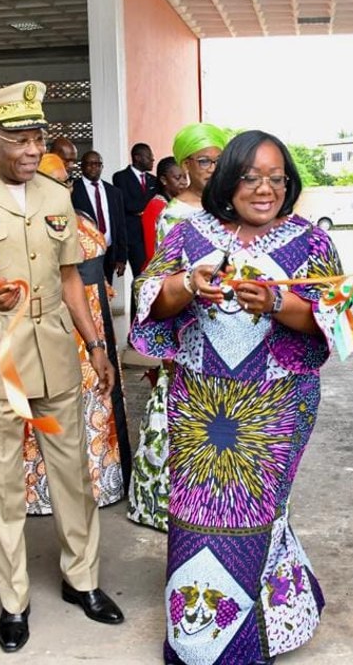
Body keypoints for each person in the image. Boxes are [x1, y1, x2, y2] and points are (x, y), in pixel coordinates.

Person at [131, 129, 344, 664]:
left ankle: (243, 641)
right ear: (228, 181)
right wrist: (186, 285)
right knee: (193, 512)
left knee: (257, 513)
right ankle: (195, 638)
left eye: (276, 178)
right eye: (251, 177)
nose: (264, 188)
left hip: (275, 403)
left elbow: (331, 316)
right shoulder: (190, 234)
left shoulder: (309, 242)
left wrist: (275, 302)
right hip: (199, 403)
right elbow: (150, 301)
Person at [0, 81, 124, 652]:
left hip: (56, 355)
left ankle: (81, 581)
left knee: (72, 473)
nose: (34, 148)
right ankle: (13, 601)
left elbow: (70, 279)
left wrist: (95, 345)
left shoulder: (54, 194)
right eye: (20, 139)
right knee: (2, 481)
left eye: (38, 136)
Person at [127, 123, 229, 533]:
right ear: (185, 165)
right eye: (205, 161)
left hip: (225, 326)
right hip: (190, 326)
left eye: (220, 161)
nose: (212, 168)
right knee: (176, 416)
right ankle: (165, 506)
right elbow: (165, 278)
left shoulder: (223, 208)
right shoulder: (173, 216)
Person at [28, 154, 125, 509]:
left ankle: (102, 482)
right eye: (52, 181)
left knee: (101, 396)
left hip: (96, 318)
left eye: (65, 181)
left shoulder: (79, 217)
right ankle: (56, 492)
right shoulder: (35, 227)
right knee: (70, 401)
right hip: (65, 323)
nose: (63, 187)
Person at [71, 151, 127, 284]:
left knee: (107, 292)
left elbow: (120, 225)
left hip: (109, 251)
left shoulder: (114, 192)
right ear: (82, 166)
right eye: (89, 164)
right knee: (88, 293)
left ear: (102, 167)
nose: (93, 168)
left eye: (97, 164)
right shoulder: (72, 190)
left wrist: (122, 258)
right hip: (85, 255)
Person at [112, 142, 158, 279]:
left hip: (151, 235)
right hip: (133, 237)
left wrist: (142, 210)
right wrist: (146, 208)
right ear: (137, 157)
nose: (152, 160)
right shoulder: (121, 177)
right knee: (140, 277)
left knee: (151, 277)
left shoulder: (153, 180)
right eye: (149, 156)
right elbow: (129, 205)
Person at [141, 156, 185, 265]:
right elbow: (152, 249)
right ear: (164, 180)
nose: (184, 182)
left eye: (185, 177)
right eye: (178, 178)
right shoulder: (156, 206)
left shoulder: (176, 203)